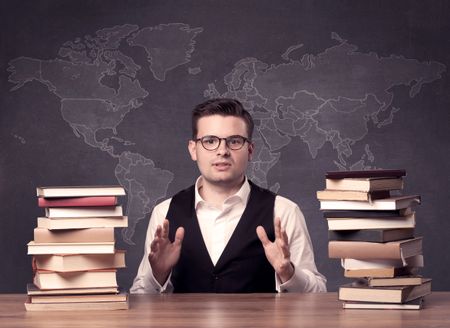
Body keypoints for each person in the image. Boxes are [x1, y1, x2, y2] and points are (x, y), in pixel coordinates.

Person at [130, 98, 326, 293]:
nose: (222, 151)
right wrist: (157, 274)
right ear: (193, 149)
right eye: (210, 141)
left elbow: (318, 295)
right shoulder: (164, 213)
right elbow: (139, 296)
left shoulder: (284, 212)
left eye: (234, 141)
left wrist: (287, 272)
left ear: (250, 150)